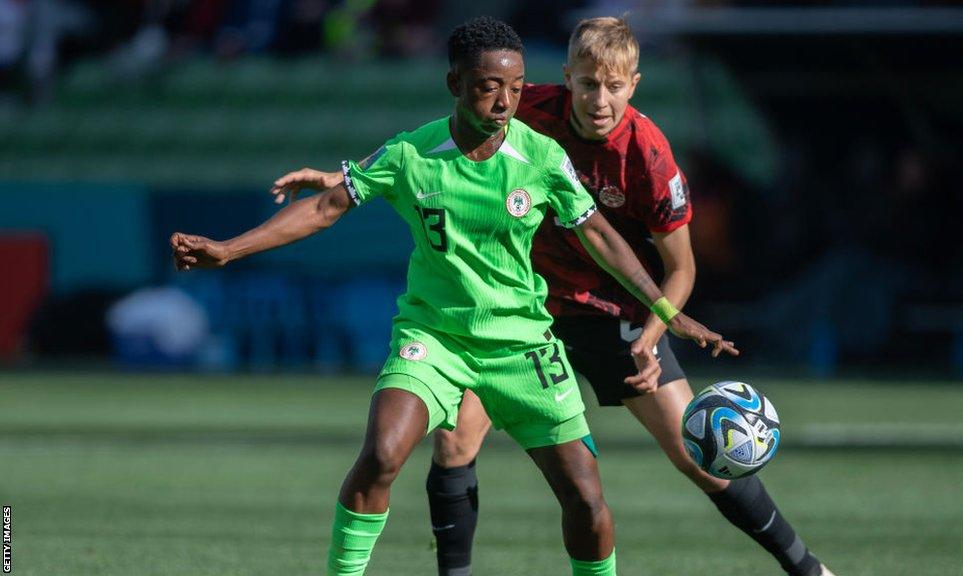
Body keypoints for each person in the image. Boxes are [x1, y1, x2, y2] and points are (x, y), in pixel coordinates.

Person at [173, 16, 736, 576]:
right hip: (433, 340)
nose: (504, 103)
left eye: (515, 89)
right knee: (382, 456)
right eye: (489, 87)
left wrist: (668, 312)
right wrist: (228, 249)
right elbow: (327, 206)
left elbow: (601, 237)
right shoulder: (412, 153)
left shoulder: (541, 157)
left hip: (523, 348)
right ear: (456, 85)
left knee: (586, 502)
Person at [423, 17, 837, 576]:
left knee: (700, 455)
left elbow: (681, 268)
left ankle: (808, 570)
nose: (599, 99)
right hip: (524, 311)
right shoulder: (524, 110)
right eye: (588, 83)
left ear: (633, 85)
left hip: (613, 313)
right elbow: (442, 142)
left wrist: (651, 334)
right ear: (568, 78)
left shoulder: (647, 157)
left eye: (613, 86)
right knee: (453, 443)